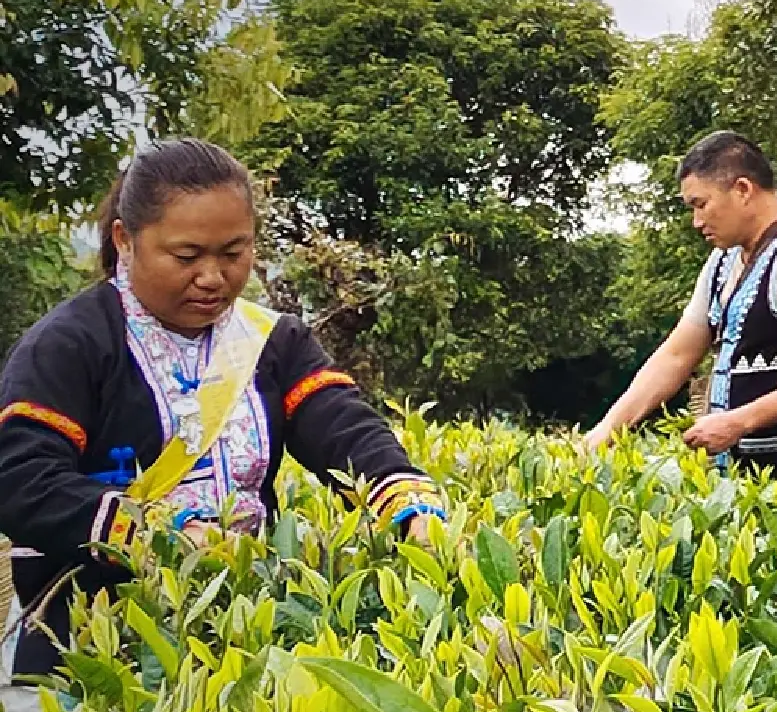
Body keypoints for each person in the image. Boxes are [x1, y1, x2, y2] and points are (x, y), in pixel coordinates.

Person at [0, 138, 445, 677]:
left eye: (234, 253)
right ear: (125, 240)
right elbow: (22, 480)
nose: (212, 277)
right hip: (90, 650)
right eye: (186, 256)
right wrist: (156, 533)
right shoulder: (71, 345)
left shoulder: (271, 341)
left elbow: (341, 425)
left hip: (241, 636)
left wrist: (402, 495)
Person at [586, 132, 777, 483]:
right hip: (749, 486)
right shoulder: (723, 263)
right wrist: (608, 429)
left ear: (743, 189)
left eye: (701, 204)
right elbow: (677, 355)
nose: (696, 222)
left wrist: (737, 422)